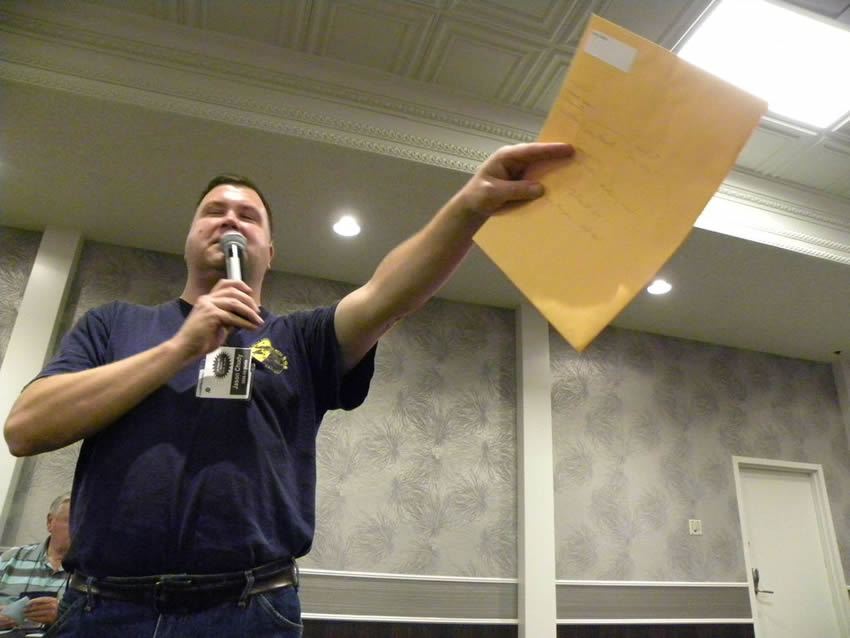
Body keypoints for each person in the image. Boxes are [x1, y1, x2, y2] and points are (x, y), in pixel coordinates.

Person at [3, 142, 575, 637]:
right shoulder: (113, 325)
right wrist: (180, 347)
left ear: (270, 252)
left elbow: (389, 294)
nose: (230, 221)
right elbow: (25, 429)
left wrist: (471, 205)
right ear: (189, 237)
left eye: (248, 216)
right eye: (214, 211)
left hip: (248, 610)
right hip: (102, 608)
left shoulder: (300, 339)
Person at [0, 493, 71, 634]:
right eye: (72, 521)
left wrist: (63, 615)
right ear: (50, 522)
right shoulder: (11, 559)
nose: (79, 529)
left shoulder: (94, 572)